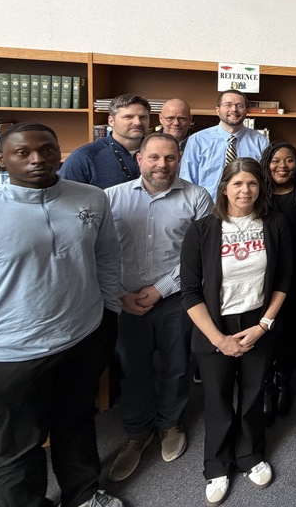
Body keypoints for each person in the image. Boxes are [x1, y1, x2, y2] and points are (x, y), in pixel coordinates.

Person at [0, 122, 123, 507]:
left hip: (83, 340)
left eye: (46, 149)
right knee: (18, 449)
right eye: (22, 153)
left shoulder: (92, 199)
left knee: (76, 425)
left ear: (60, 150)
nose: (37, 159)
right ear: (1, 160)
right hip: (8, 359)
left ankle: (85, 493)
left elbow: (107, 257)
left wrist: (109, 313)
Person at [180, 157, 291, 504]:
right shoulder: (202, 230)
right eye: (238, 183)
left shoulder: (275, 224)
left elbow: (284, 280)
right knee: (217, 400)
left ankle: (250, 455)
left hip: (258, 322)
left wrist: (263, 325)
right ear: (224, 187)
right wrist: (218, 340)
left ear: (261, 187)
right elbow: (190, 292)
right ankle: (216, 464)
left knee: (254, 394)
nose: (245, 190)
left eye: (253, 184)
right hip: (214, 327)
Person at [106, 132, 213, 482]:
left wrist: (161, 289)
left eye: (169, 158)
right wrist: (121, 293)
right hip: (124, 300)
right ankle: (137, 434)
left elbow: (203, 256)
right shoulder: (110, 199)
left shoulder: (197, 197)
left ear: (178, 159)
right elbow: (99, 254)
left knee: (176, 365)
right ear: (139, 159)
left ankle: (170, 423)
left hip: (175, 300)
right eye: (153, 157)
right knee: (132, 369)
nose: (161, 165)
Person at [260, 141, 296, 422]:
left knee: (292, 334)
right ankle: (266, 386)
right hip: (265, 279)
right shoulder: (258, 196)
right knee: (266, 334)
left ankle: (283, 383)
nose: (283, 166)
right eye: (276, 160)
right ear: (266, 163)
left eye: (289, 160)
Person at [181, 90, 269, 200]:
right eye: (228, 105)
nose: (234, 110)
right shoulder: (197, 141)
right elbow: (187, 182)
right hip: (207, 209)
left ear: (247, 110)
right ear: (217, 110)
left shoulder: (261, 142)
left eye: (240, 106)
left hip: (247, 208)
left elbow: (265, 181)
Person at [60, 93, 151, 188]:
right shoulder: (84, 157)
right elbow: (65, 197)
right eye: (128, 117)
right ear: (111, 121)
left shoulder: (161, 152)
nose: (137, 122)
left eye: (143, 117)